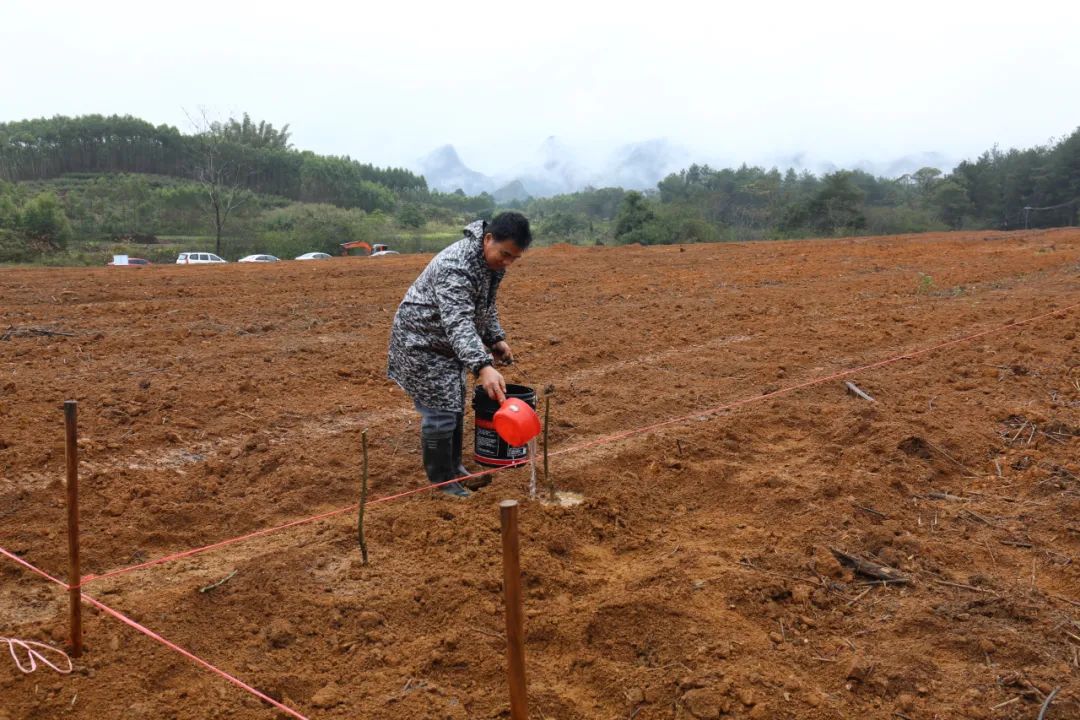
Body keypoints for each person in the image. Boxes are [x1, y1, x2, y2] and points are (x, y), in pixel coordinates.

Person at [387, 212, 532, 497]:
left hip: (448, 344)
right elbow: (458, 320)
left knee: (452, 403)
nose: (507, 263)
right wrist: (483, 365)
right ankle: (442, 482)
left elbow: (484, 305)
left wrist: (494, 338)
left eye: (513, 258)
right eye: (504, 254)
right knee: (440, 410)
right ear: (488, 239)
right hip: (422, 341)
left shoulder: (490, 263)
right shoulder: (457, 265)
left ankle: (454, 469)